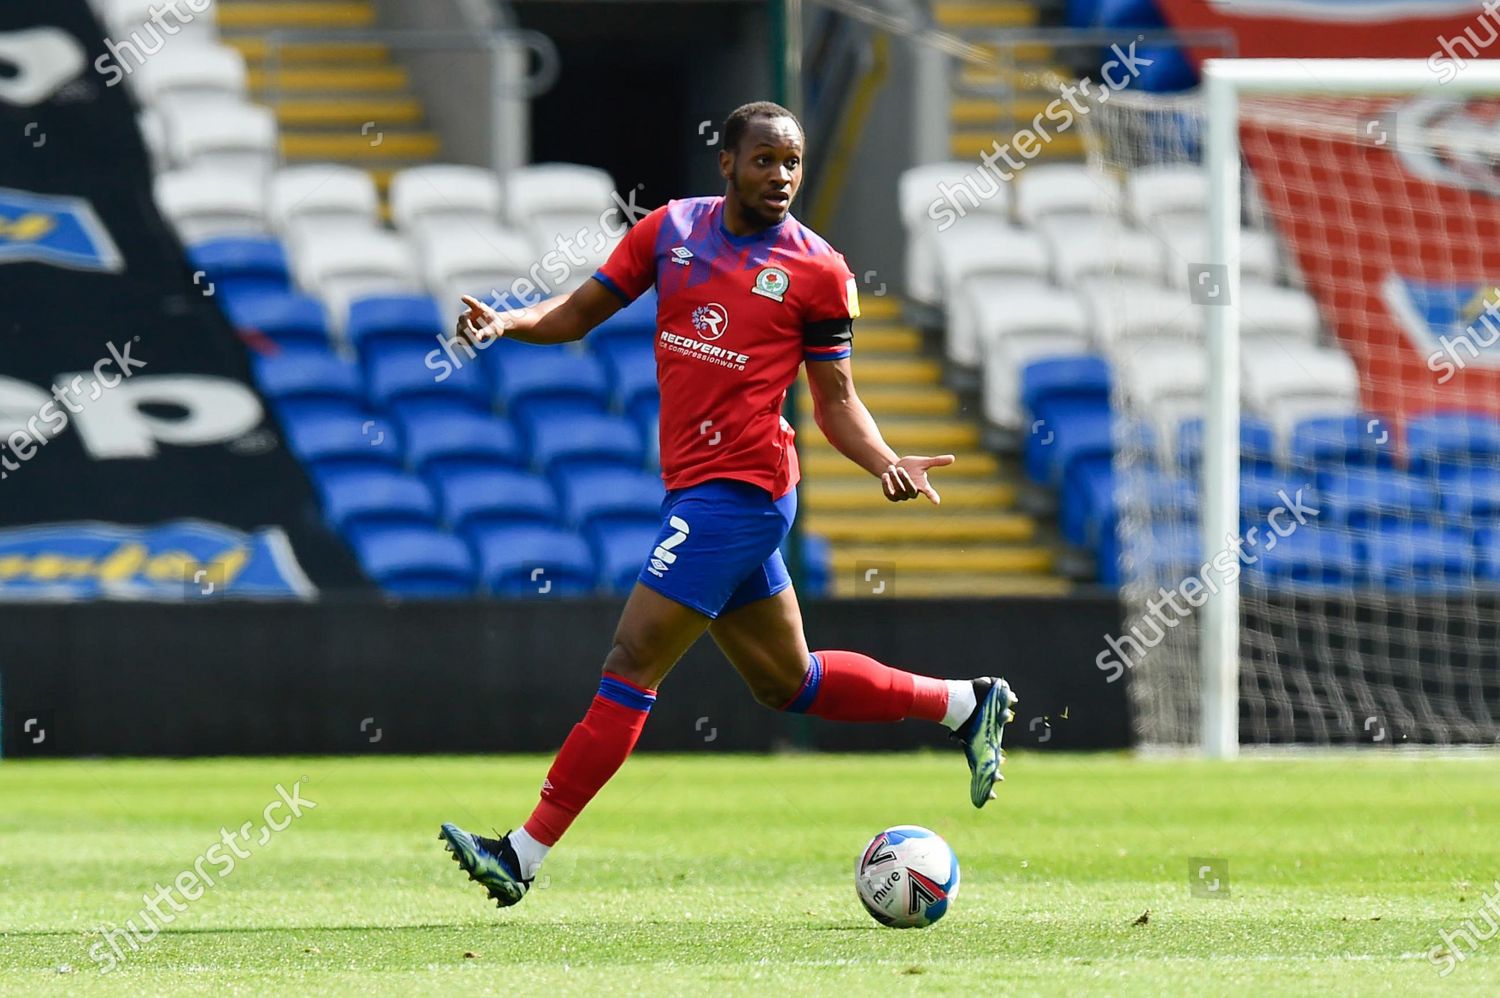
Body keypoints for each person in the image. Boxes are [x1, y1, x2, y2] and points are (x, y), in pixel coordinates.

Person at [439, 101, 1016, 909]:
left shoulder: (819, 271)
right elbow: (577, 314)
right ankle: (965, 704)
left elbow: (837, 402)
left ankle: (522, 854)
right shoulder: (669, 232)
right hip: (700, 487)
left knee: (631, 661)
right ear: (727, 162)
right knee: (788, 683)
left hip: (740, 493)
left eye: (793, 163)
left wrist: (884, 460)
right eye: (765, 161)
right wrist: (508, 320)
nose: (780, 177)